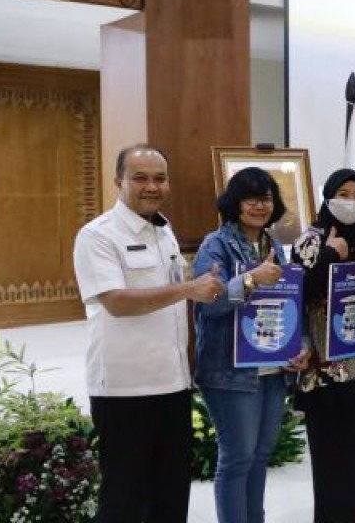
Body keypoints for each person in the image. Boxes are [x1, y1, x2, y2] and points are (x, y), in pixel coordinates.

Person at [73, 145, 225, 523]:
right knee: (124, 498)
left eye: (159, 178)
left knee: (171, 494)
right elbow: (117, 302)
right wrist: (188, 290)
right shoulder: (98, 236)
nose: (152, 186)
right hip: (125, 390)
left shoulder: (164, 230)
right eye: (140, 177)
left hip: (172, 384)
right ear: (118, 181)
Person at [193, 166, 311, 523]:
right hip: (230, 372)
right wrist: (248, 280)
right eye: (251, 198)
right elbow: (207, 303)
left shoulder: (273, 245)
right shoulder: (215, 244)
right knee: (237, 457)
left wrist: (300, 345)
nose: (260, 206)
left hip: (273, 369)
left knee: (260, 455)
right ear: (234, 202)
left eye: (266, 198)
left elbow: (290, 302)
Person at [292, 169, 355, 523]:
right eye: (343, 193)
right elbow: (297, 292)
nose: (351, 201)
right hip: (323, 367)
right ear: (328, 196)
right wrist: (331, 254)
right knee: (332, 449)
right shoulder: (310, 240)